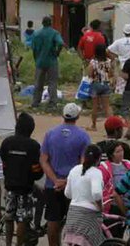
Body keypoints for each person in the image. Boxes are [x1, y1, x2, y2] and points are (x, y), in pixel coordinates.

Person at [40, 103, 90, 246]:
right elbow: (83, 164)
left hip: (52, 185)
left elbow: (44, 160)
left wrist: (56, 180)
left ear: (63, 115)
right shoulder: (83, 136)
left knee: (52, 221)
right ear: (78, 116)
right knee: (75, 224)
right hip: (73, 187)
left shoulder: (50, 134)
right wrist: (67, 182)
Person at [0, 112, 43, 246]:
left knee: (9, 216)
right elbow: (36, 170)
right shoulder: (33, 146)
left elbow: (3, 165)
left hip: (9, 186)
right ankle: (19, 244)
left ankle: (8, 243)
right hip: (25, 188)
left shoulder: (7, 142)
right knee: (23, 219)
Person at [61, 145, 104, 246]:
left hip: (72, 213)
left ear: (84, 157)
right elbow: (97, 193)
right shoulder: (96, 173)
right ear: (98, 159)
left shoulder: (74, 169)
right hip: (88, 215)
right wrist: (100, 207)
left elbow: (67, 193)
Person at [29, 16, 64, 109]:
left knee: (38, 83)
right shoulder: (54, 33)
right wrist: (57, 52)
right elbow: (60, 43)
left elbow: (34, 49)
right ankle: (52, 103)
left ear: (42, 23)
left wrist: (36, 59)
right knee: (52, 82)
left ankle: (35, 102)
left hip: (40, 61)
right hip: (51, 61)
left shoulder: (36, 34)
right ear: (51, 23)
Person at [88, 44, 114, 131]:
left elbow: (90, 74)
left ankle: (94, 125)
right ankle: (111, 126)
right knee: (107, 107)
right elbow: (111, 74)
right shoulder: (108, 61)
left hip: (95, 84)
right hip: (106, 84)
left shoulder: (93, 62)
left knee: (95, 106)